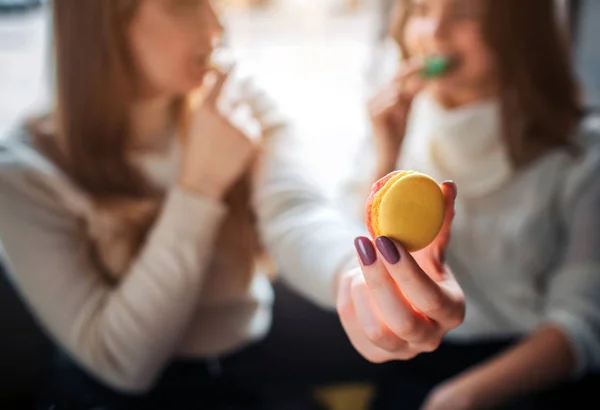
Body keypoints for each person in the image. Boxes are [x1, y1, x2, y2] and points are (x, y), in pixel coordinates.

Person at [0, 0, 465, 409]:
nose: (215, 26)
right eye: (184, 3)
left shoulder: (238, 101)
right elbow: (121, 363)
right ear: (101, 18)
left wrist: (359, 279)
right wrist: (199, 188)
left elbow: (297, 215)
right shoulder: (23, 174)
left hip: (249, 372)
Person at [341, 0, 600, 408]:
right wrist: (386, 155)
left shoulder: (583, 153)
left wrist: (459, 397)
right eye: (422, 10)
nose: (434, 32)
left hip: (524, 380)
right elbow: (361, 255)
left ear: (519, 32)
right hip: (414, 359)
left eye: (464, 14)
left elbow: (582, 324)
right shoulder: (396, 124)